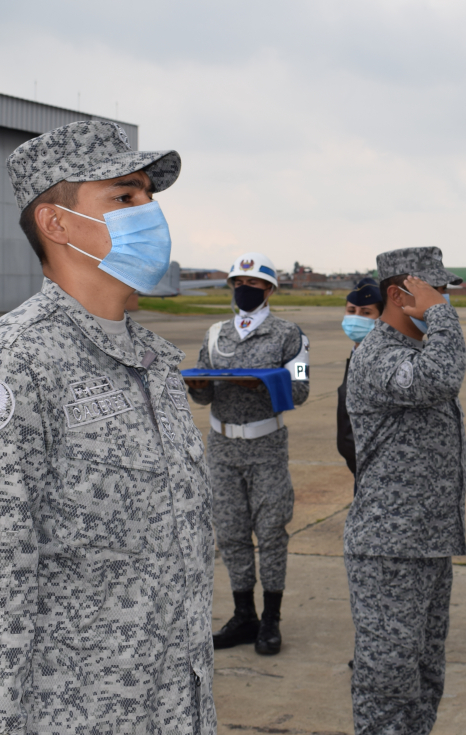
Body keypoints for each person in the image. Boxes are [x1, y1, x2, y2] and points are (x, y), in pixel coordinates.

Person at [0, 121, 217, 734]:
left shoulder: (153, 361)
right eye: (125, 197)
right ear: (56, 224)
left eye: (150, 197)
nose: (150, 212)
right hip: (72, 714)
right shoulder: (16, 362)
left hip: (172, 707)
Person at [344, 247, 466, 735]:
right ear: (400, 295)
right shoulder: (379, 355)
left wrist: (435, 316)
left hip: (428, 543)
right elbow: (442, 378)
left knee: (425, 677)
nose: (445, 303)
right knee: (388, 683)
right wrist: (440, 317)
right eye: (436, 293)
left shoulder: (413, 352)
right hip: (389, 548)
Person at [186, 252, 309, 656]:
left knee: (271, 531)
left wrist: (260, 385)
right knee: (231, 533)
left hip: (266, 447)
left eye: (254, 284)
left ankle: (271, 619)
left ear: (270, 289)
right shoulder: (214, 334)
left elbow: (301, 389)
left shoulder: (291, 335)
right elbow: (204, 387)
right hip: (221, 448)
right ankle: (244, 615)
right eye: (239, 283)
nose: (245, 290)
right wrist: (196, 387)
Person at [338, 276, 383, 475]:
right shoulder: (355, 354)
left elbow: (300, 379)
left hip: (378, 467)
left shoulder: (385, 360)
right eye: (351, 311)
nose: (356, 318)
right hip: (358, 466)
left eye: (366, 313)